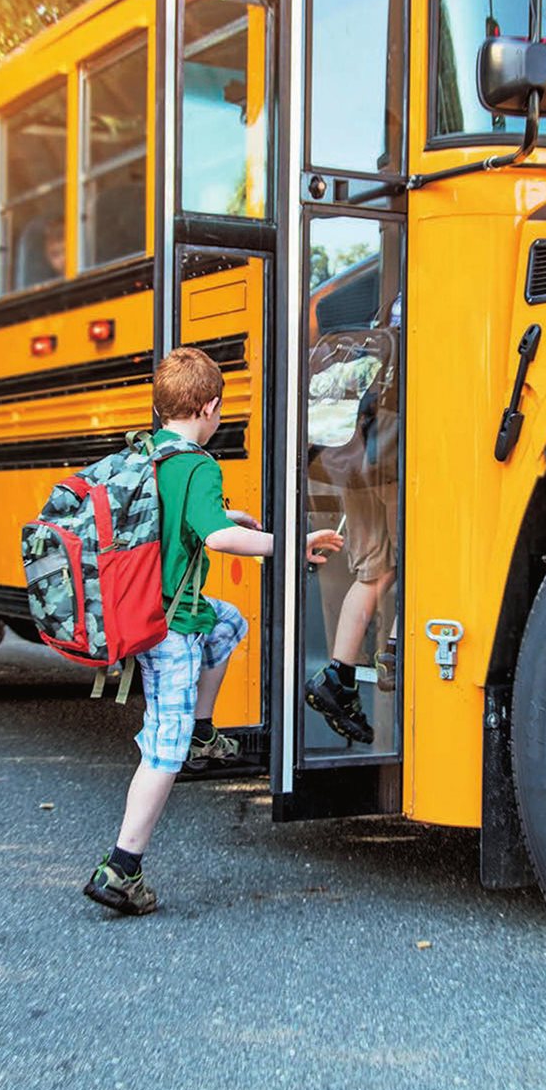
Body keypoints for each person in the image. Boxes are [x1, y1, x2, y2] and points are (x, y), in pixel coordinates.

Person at [84, 345, 342, 916]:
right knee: (162, 751)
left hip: (153, 612)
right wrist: (287, 545)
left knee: (228, 623)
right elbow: (218, 540)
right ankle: (120, 868)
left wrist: (229, 516)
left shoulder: (149, 452)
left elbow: (189, 519)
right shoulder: (200, 463)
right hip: (168, 631)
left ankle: (203, 728)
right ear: (210, 407)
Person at [305, 293, 400, 745]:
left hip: (353, 464)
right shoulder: (412, 319)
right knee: (412, 561)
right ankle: (394, 655)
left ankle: (339, 674)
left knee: (373, 572)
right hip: (392, 465)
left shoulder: (360, 333)